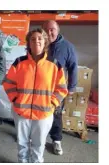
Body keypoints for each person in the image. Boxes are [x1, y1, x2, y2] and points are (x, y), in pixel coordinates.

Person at [2, 28, 68, 163]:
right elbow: (8, 83)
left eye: (40, 38)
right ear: (28, 43)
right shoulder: (19, 62)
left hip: (44, 114)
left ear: (45, 42)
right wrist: (15, 99)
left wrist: (53, 103)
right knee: (22, 144)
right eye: (33, 39)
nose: (36, 41)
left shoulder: (54, 64)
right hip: (21, 112)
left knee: (39, 146)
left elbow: (61, 88)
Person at [42, 20, 78, 155]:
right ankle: (38, 138)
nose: (49, 32)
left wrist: (72, 87)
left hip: (56, 90)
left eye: (52, 29)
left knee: (56, 115)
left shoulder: (67, 47)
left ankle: (56, 140)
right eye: (46, 29)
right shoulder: (39, 43)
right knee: (39, 115)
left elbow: (73, 67)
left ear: (58, 30)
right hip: (39, 89)